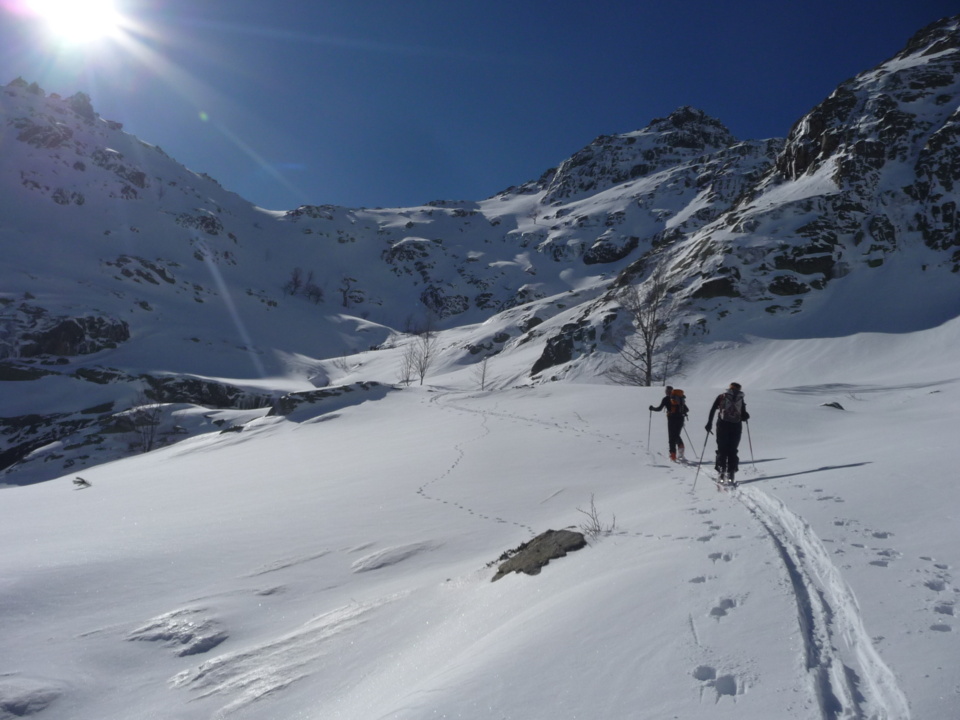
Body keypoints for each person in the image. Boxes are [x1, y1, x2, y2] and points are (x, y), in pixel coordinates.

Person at [705, 382, 750, 484]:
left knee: (722, 448)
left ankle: (721, 471)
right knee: (733, 449)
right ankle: (731, 472)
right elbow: (743, 415)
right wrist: (746, 416)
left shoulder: (722, 396)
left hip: (722, 425)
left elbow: (713, 409)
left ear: (730, 387)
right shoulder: (740, 398)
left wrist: (709, 423)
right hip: (736, 426)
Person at [650, 387, 688, 461]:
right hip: (680, 419)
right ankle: (681, 446)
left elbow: (659, 409)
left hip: (672, 419)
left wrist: (652, 408)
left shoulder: (666, 399)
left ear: (667, 391)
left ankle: (673, 455)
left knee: (671, 437)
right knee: (676, 434)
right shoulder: (679, 398)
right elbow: (687, 409)